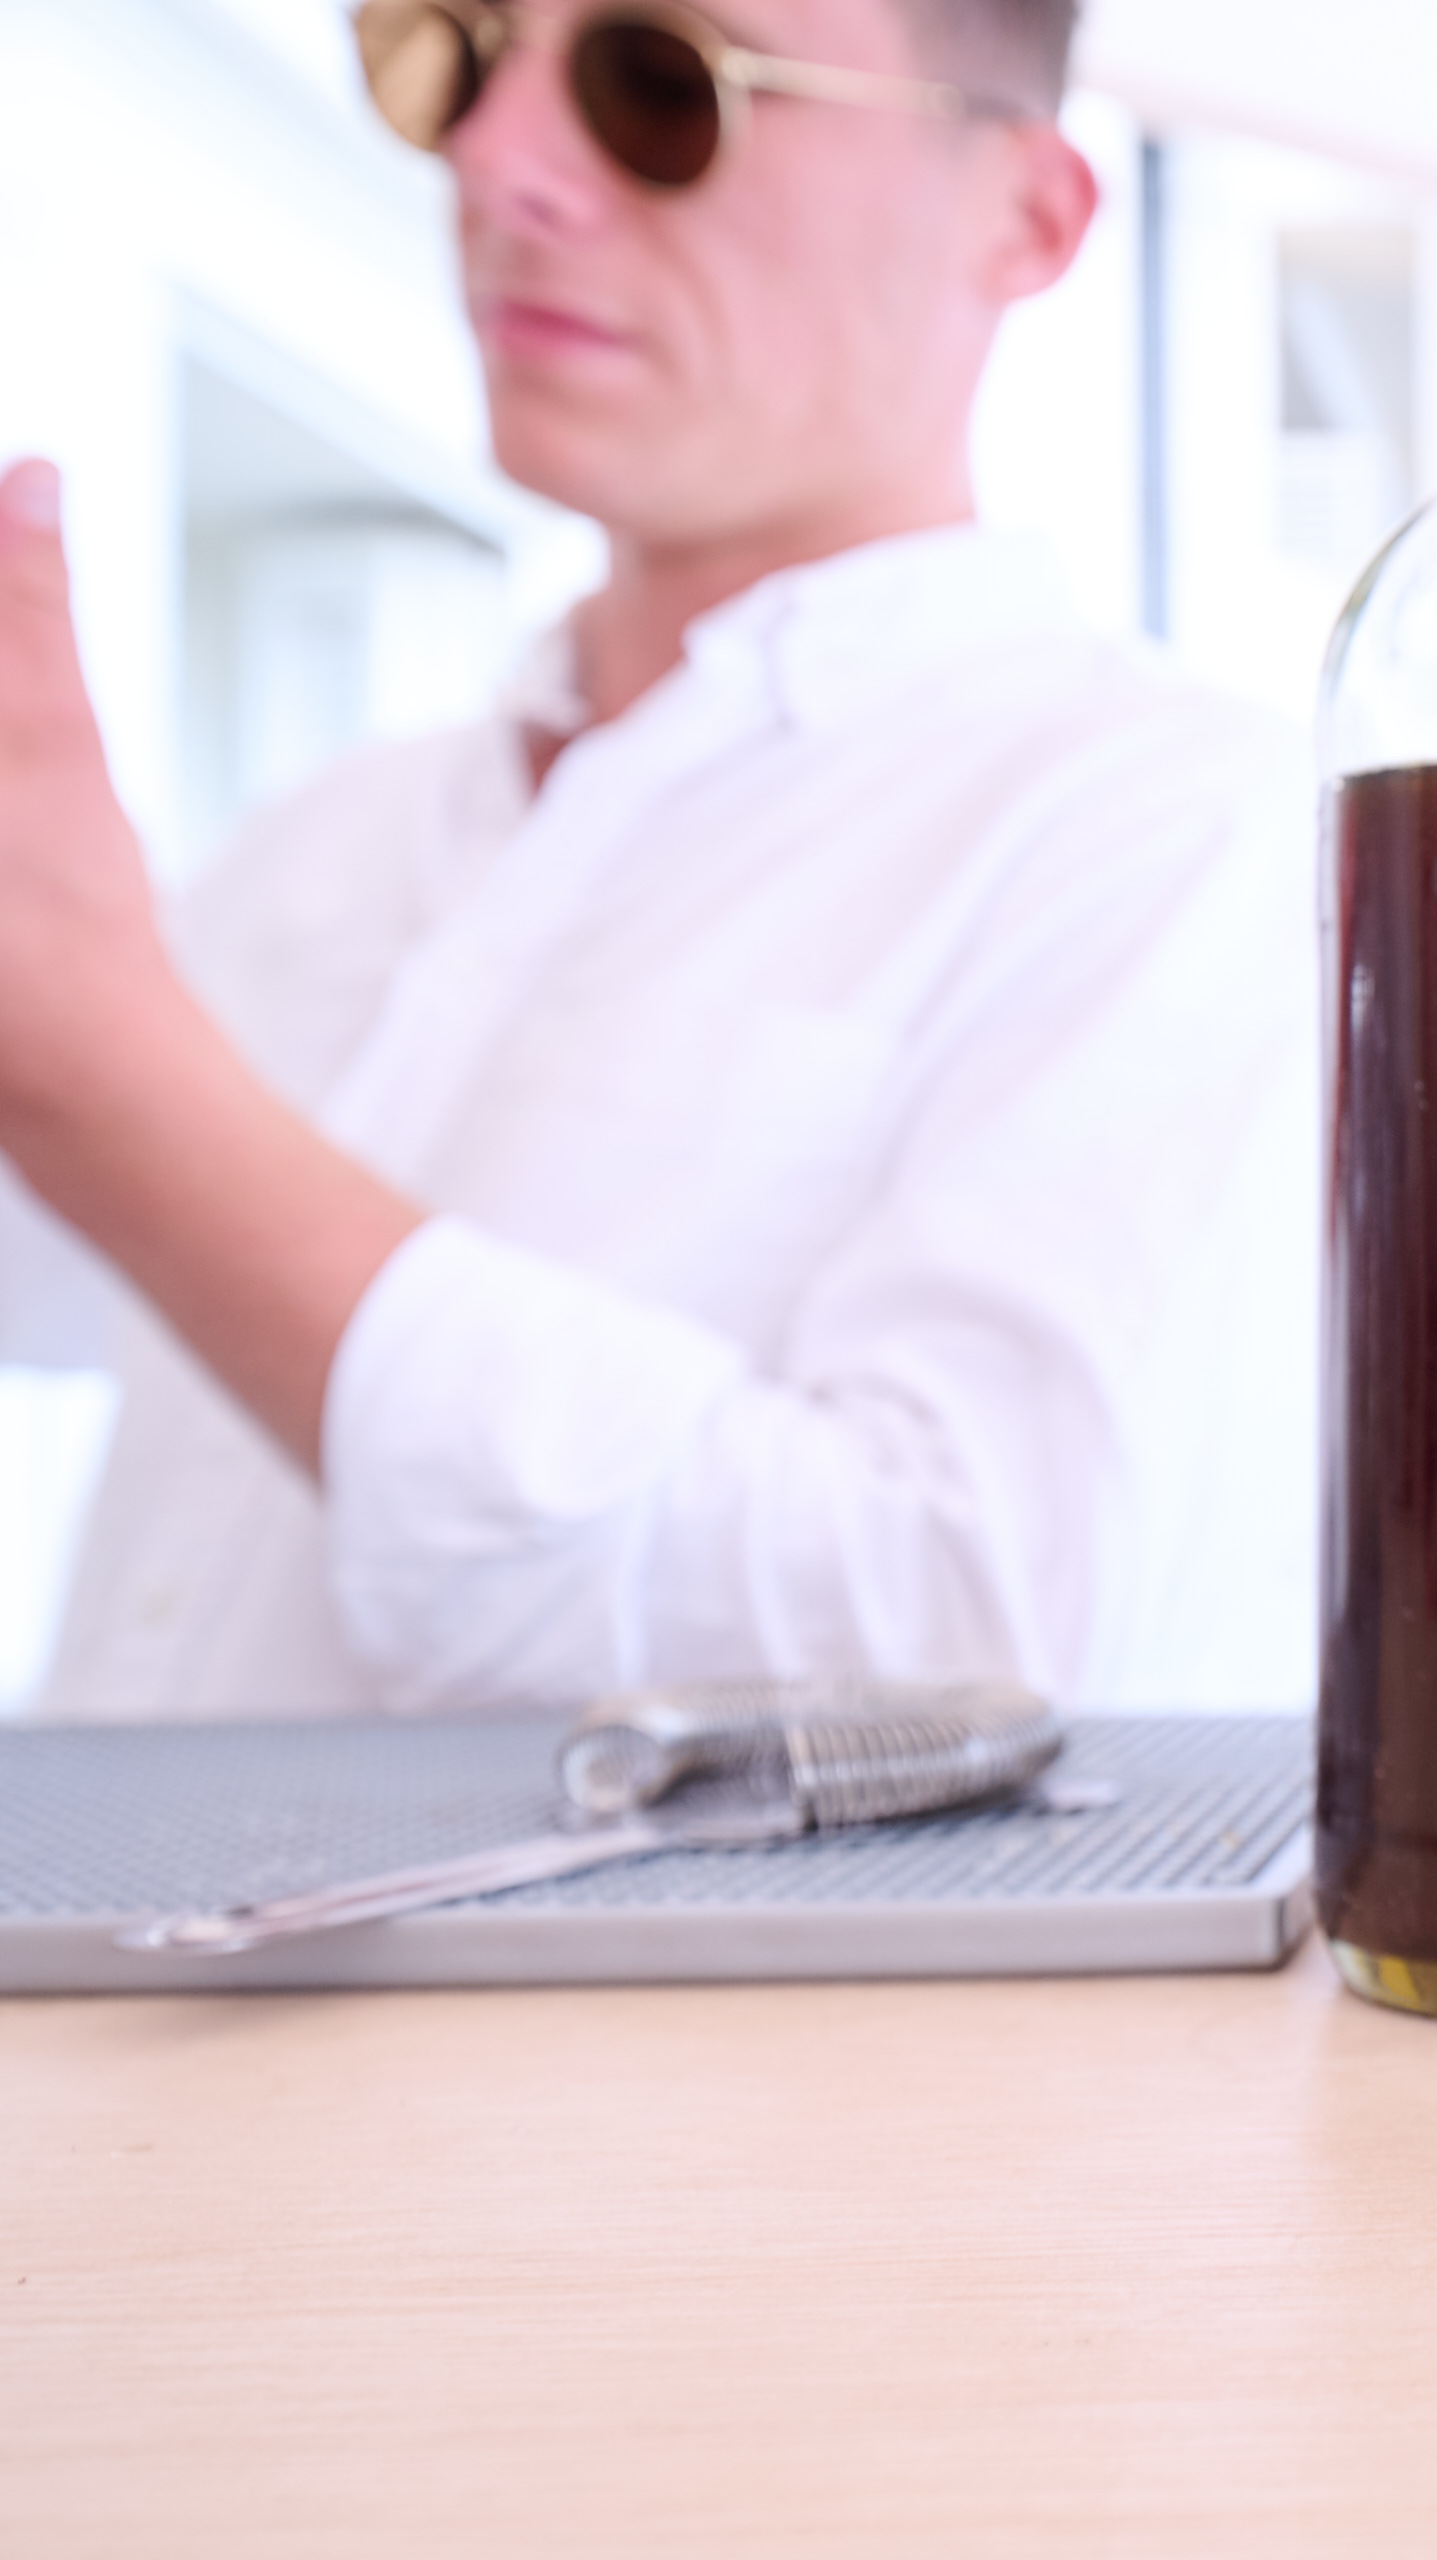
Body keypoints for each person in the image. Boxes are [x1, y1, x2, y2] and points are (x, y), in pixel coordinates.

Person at [0, 0, 1303, 1719]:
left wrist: (127, 1103)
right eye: (456, 53)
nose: (495, 162)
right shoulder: (334, 839)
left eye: (660, 83)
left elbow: (969, 1643)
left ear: (1024, 216)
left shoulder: (1181, 833)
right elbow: (53, 1277)